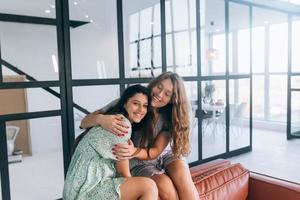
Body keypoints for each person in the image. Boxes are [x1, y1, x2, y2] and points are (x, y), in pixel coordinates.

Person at [81, 72, 199, 200]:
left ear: (173, 99)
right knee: (166, 186)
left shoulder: (170, 115)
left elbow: (156, 151)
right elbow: (84, 122)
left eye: (167, 94)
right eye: (159, 87)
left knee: (184, 178)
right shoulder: (132, 101)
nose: (159, 94)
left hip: (164, 153)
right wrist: (100, 119)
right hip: (139, 160)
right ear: (154, 83)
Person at [63, 85, 158, 200]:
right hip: (86, 191)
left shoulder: (111, 118)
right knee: (149, 186)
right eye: (136, 103)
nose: (141, 110)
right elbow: (123, 173)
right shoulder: (121, 124)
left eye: (145, 106)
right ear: (124, 103)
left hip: (75, 189)